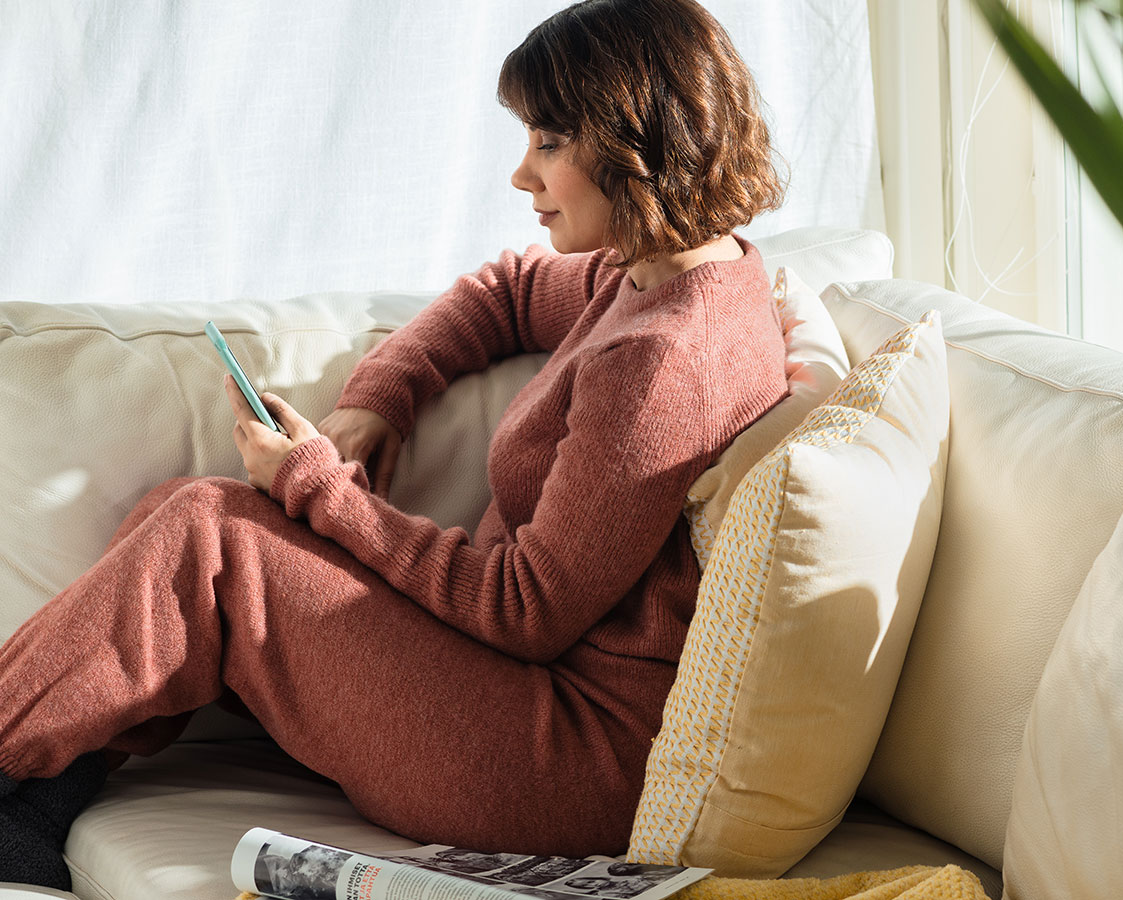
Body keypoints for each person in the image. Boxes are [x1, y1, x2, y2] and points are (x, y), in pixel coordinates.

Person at [0, 0, 787, 889]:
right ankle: (35, 796)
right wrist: (383, 396)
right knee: (171, 516)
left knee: (206, 537)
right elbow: (508, 290)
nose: (522, 174)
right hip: (517, 691)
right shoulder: (653, 274)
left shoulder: (667, 361)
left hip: (564, 754)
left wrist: (321, 487)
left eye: (550, 142)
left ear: (635, 139)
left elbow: (527, 610)